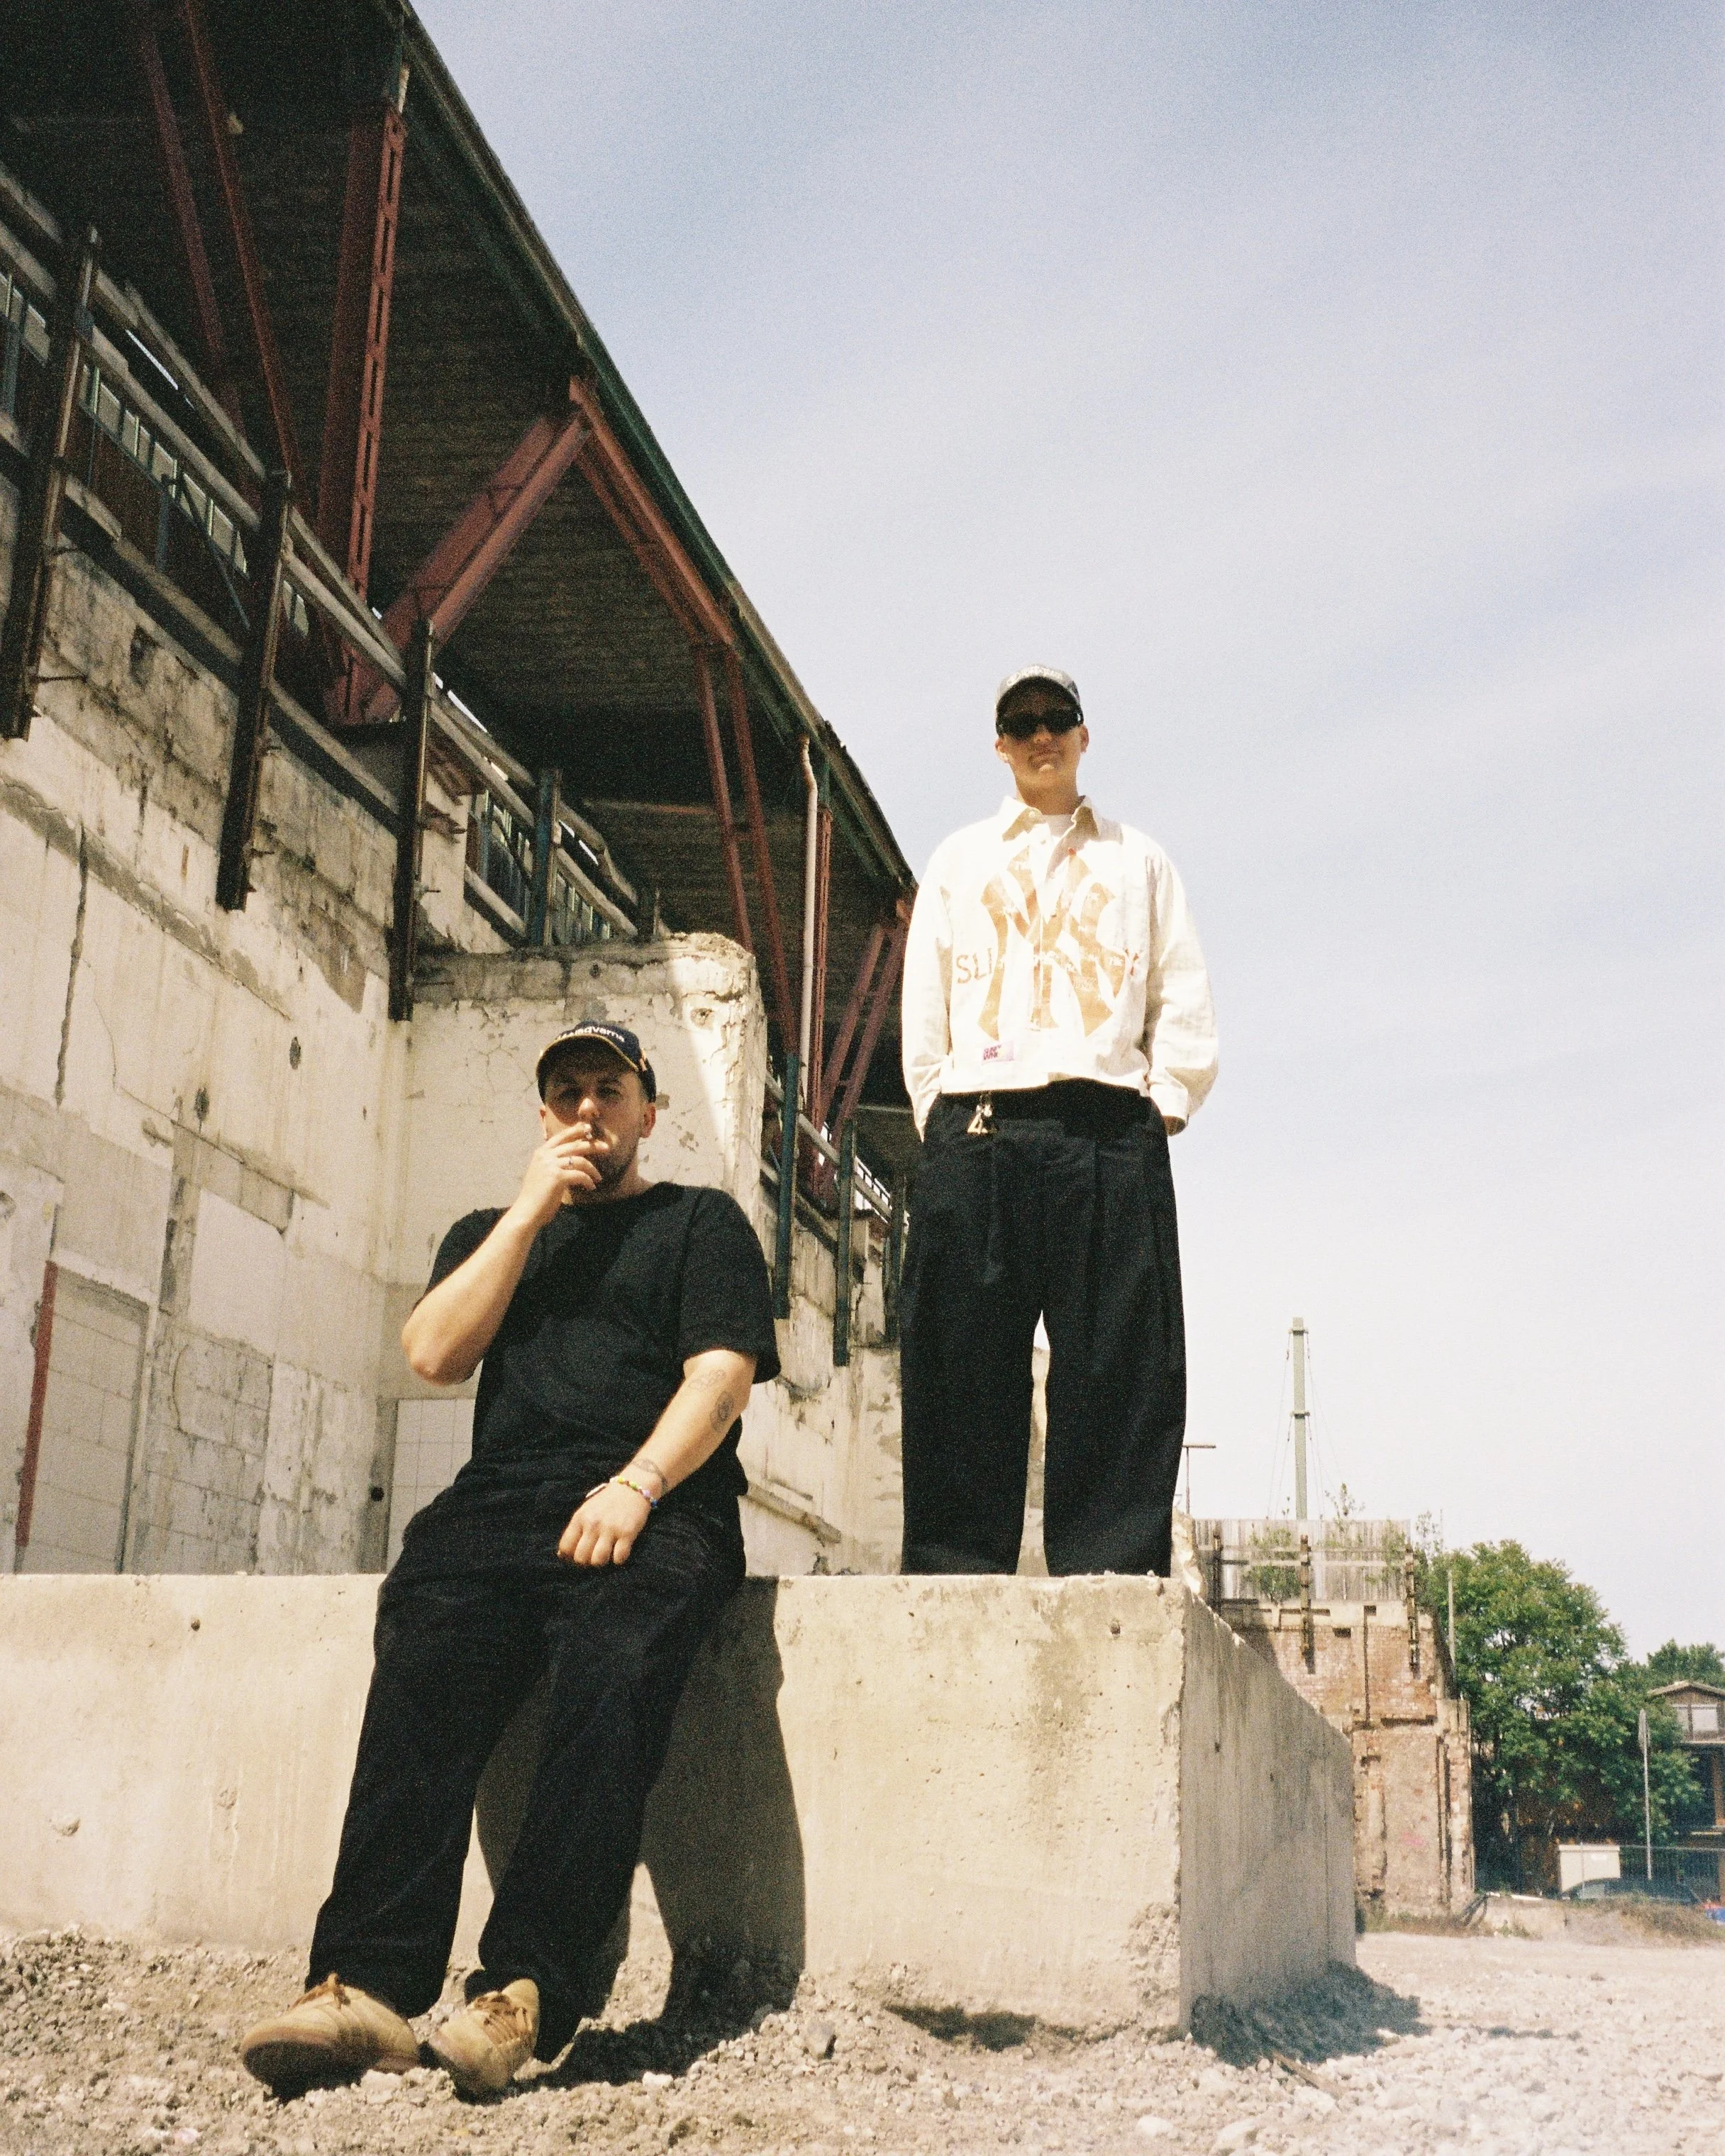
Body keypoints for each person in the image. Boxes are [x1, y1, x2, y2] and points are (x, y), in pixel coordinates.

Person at [238, 1021, 779, 2099]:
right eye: (567, 1093)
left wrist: (636, 1486)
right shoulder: (494, 1232)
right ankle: (367, 1985)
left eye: (610, 1091)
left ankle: (525, 1987)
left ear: (649, 1111)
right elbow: (434, 1353)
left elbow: (721, 1377)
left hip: (657, 1501)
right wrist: (530, 1213)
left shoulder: (700, 1223)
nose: (589, 1111)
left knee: (613, 1670)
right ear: (542, 1116)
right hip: (501, 1504)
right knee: (426, 1643)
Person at [898, 666, 1217, 1579]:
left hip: (1106, 1129)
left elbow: (1179, 993)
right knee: (958, 1357)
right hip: (981, 1124)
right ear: (999, 743)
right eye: (1020, 723)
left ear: (1083, 734)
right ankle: (956, 1570)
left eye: (1056, 719)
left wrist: (1159, 1108)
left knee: (1119, 1358)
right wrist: (941, 1115)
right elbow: (924, 1010)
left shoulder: (1137, 860)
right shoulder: (959, 860)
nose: (1040, 736)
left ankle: (1109, 1572)